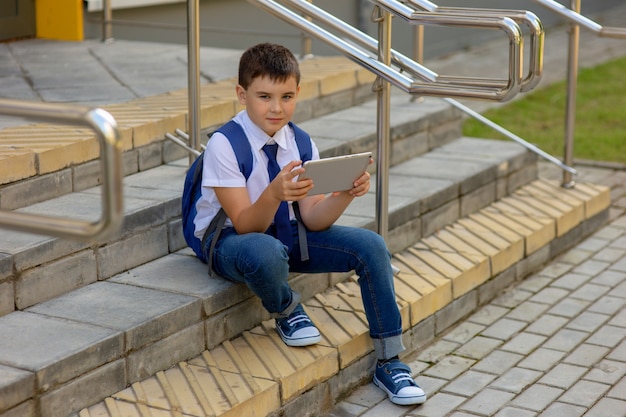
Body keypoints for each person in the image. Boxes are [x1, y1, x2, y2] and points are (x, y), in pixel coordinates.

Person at [194, 42, 426, 406]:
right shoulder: (225, 145)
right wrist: (273, 193)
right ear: (241, 94)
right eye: (264, 96)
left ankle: (390, 360)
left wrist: (345, 194)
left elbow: (312, 219)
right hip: (233, 243)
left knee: (371, 246)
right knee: (266, 251)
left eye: (286, 96)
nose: (276, 107)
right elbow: (243, 224)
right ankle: (287, 309)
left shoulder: (299, 141)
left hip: (287, 235)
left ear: (298, 93)